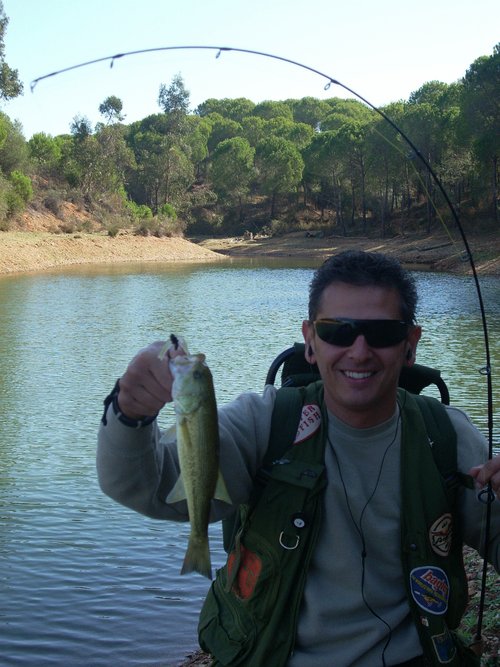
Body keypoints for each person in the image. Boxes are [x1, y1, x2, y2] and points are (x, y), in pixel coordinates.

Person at [97, 250, 500, 667]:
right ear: (310, 341)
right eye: (337, 331)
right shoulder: (266, 422)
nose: (359, 351)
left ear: (409, 344)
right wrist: (129, 412)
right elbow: (145, 486)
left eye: (382, 333)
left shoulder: (446, 436)